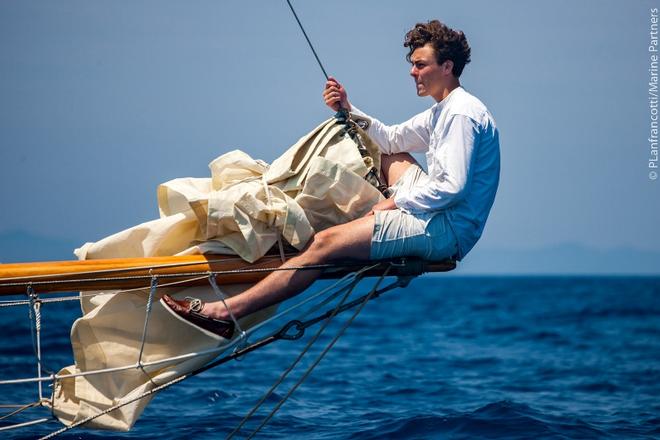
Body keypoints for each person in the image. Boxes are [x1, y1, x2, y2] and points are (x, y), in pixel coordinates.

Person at [161, 20, 500, 338]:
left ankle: (224, 315)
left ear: (448, 67)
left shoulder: (460, 113)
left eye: (421, 64)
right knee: (382, 150)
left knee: (323, 243)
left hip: (445, 230)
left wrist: (394, 202)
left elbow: (452, 187)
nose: (413, 72)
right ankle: (353, 228)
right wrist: (348, 109)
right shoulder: (443, 108)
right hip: (435, 211)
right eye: (412, 63)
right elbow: (391, 140)